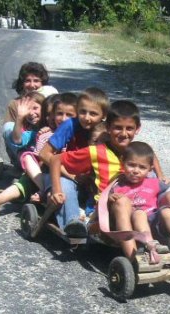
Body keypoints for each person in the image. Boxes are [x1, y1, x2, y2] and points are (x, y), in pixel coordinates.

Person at [49, 100, 170, 260]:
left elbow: (154, 164)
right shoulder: (96, 152)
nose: (123, 133)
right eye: (117, 128)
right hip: (110, 216)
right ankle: (133, 258)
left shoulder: (138, 151)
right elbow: (55, 160)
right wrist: (58, 190)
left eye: (129, 128)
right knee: (123, 202)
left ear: (137, 129)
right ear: (107, 128)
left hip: (146, 212)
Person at [0, 93, 77, 221]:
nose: (62, 119)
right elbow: (19, 141)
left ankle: (48, 195)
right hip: (42, 174)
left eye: (69, 115)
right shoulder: (44, 133)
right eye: (57, 114)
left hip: (61, 176)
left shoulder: (76, 134)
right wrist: (19, 118)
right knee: (24, 174)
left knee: (27, 180)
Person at [40, 87, 109, 237]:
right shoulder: (70, 125)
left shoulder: (105, 131)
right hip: (68, 173)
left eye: (93, 113)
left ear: (103, 115)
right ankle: (73, 223)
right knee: (65, 186)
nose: (86, 117)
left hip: (93, 178)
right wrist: (69, 174)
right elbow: (44, 154)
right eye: (83, 112)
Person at [109, 141, 170, 254]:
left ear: (150, 169)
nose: (136, 171)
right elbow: (109, 208)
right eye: (131, 165)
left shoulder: (154, 183)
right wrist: (110, 198)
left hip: (157, 222)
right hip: (136, 225)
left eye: (142, 167)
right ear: (123, 162)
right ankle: (151, 244)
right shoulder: (117, 186)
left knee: (167, 211)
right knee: (139, 214)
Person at [3, 62, 58, 166]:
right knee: (8, 127)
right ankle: (23, 160)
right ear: (22, 83)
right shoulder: (15, 104)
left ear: (43, 83)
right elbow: (12, 138)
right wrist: (20, 116)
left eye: (36, 81)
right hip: (24, 146)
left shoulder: (50, 100)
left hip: (46, 145)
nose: (32, 85)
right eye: (28, 81)